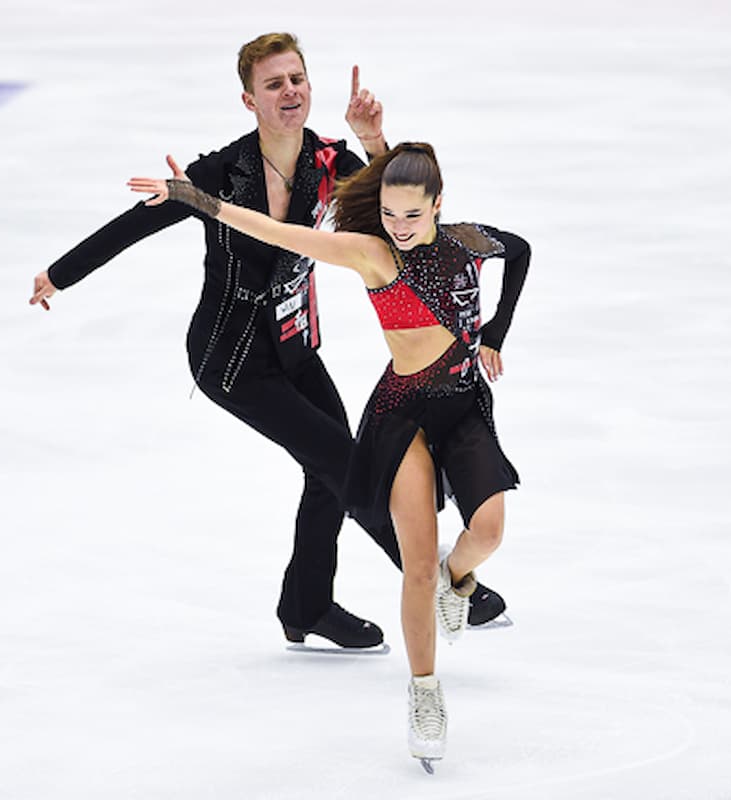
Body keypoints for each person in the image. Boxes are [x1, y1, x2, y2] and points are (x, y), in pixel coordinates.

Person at [28, 33, 508, 650]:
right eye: (274, 84)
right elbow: (135, 225)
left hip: (295, 344)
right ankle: (441, 581)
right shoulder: (222, 173)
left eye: (298, 80)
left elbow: (402, 219)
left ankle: (306, 605)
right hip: (230, 358)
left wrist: (372, 141)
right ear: (249, 101)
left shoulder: (329, 162)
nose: (290, 93)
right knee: (345, 465)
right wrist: (59, 276)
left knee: (327, 470)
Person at [126, 141, 529, 768]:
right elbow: (277, 231)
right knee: (416, 565)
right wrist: (201, 203)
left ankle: (460, 579)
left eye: (410, 216)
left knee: (489, 532)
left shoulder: (467, 243)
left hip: (466, 404)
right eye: (388, 214)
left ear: (438, 207)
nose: (397, 227)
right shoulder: (372, 255)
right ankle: (425, 693)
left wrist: (496, 333)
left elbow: (522, 251)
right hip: (403, 416)